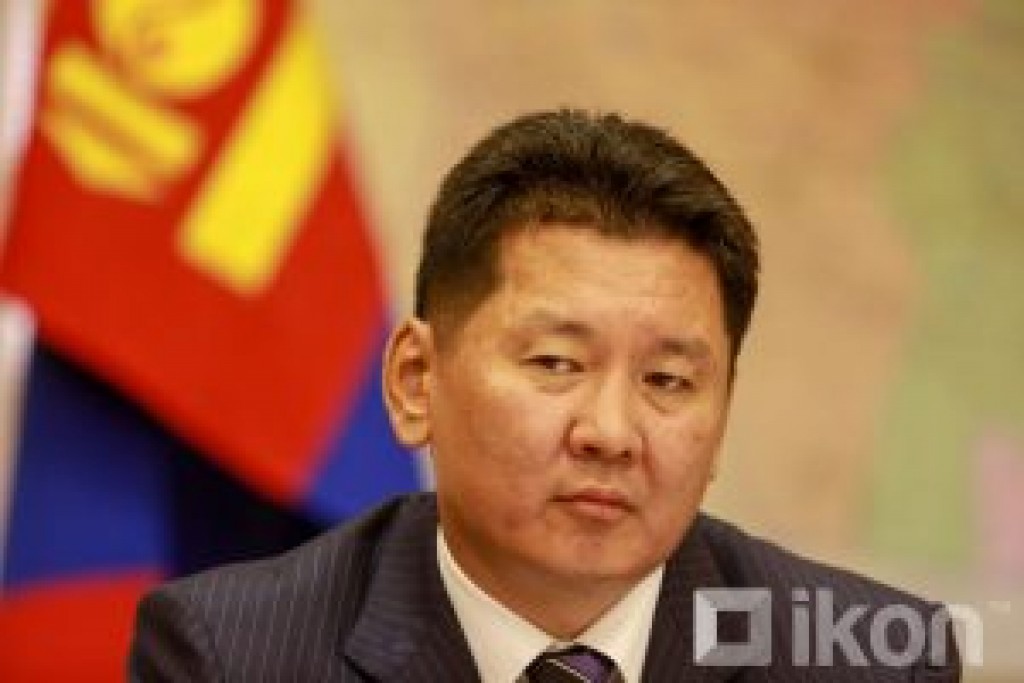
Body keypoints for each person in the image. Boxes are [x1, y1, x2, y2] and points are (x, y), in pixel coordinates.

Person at [129, 110, 960, 682]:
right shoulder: (233, 655)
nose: (611, 431)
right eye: (558, 363)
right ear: (416, 380)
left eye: (667, 380)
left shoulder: (872, 661)